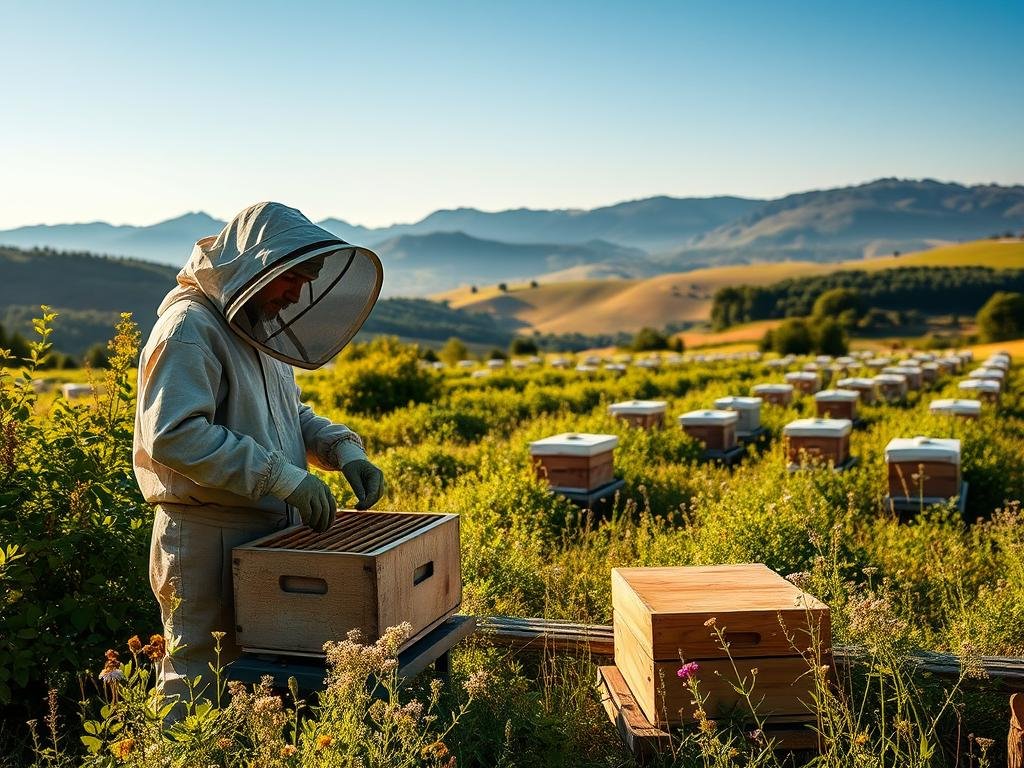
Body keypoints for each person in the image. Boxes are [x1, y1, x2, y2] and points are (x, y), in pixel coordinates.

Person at [132, 202, 385, 712]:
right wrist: (281, 477)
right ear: (258, 264)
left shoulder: (253, 323)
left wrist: (343, 449)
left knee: (254, 677)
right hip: (205, 535)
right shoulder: (190, 328)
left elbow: (289, 414)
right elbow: (174, 435)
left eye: (307, 282)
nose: (297, 295)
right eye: (293, 280)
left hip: (263, 530)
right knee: (198, 671)